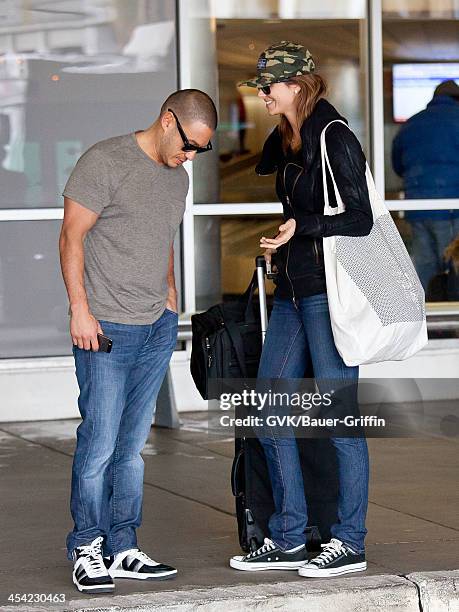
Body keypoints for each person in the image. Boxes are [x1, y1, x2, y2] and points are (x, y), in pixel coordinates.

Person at [59, 89, 217, 593]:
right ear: (168, 120)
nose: (190, 157)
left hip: (155, 326)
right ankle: (88, 545)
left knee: (131, 447)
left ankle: (123, 546)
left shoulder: (178, 179)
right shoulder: (105, 161)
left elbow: (160, 236)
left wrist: (171, 295)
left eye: (200, 151)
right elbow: (71, 237)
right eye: (189, 144)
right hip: (105, 327)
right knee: (100, 442)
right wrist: (79, 309)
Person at [230, 41, 372, 577]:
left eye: (267, 86)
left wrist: (302, 228)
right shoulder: (284, 137)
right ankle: (289, 536)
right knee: (268, 412)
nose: (261, 94)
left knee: (339, 420)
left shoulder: (334, 136)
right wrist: (283, 244)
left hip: (328, 296)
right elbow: (297, 209)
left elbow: (359, 219)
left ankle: (350, 542)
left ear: (295, 85)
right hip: (290, 291)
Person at [392, 79, 459, 294]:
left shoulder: (411, 123)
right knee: (454, 266)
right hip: (451, 206)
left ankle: (428, 321)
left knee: (425, 268)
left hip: (417, 207)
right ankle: (451, 319)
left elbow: (398, 164)